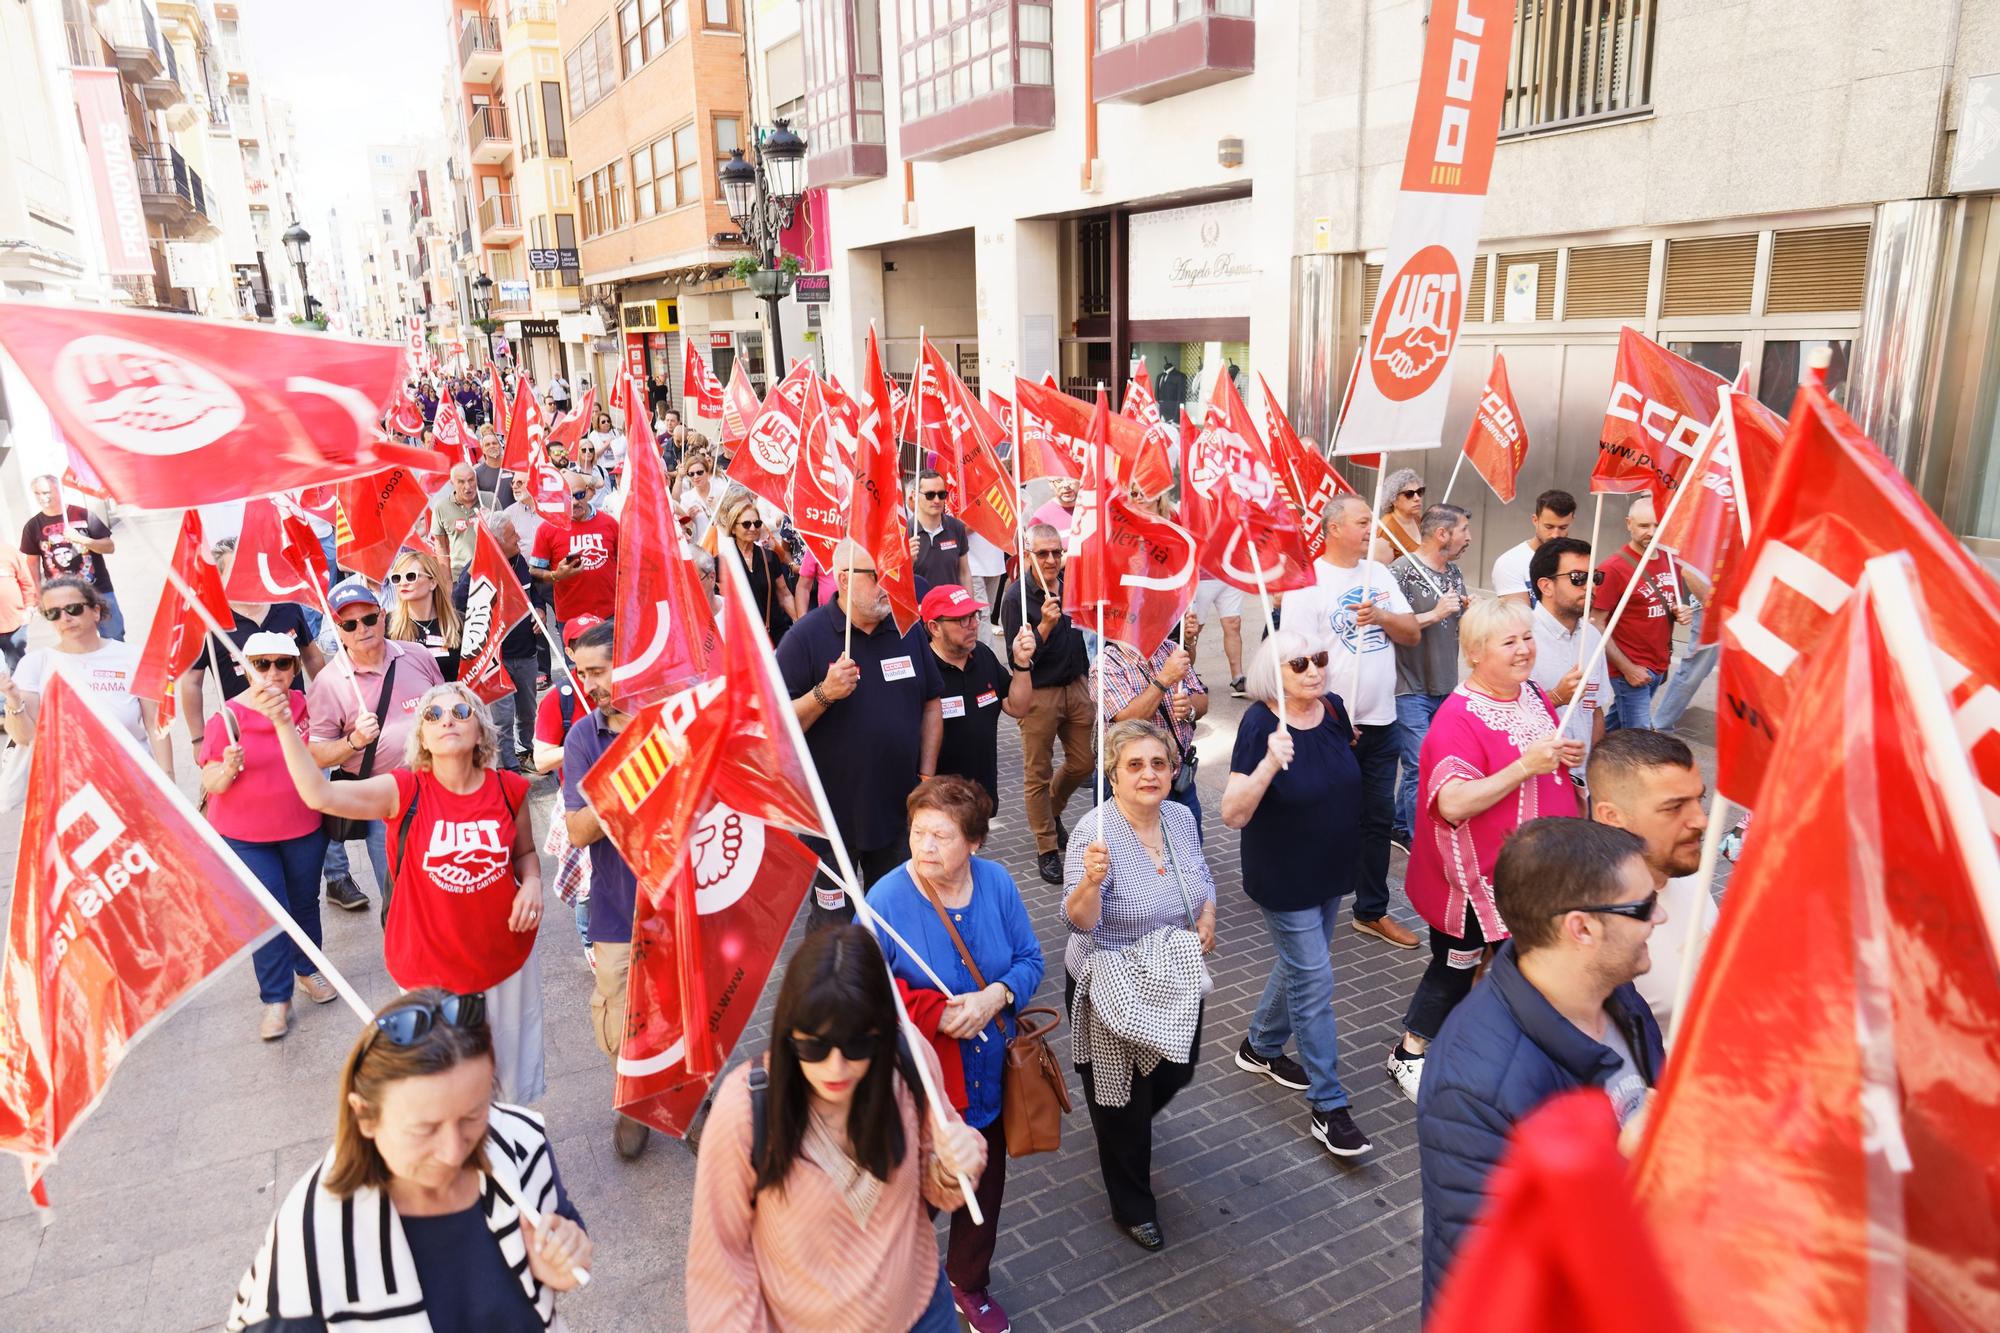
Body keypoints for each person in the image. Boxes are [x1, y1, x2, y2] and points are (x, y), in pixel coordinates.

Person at [226, 988, 590, 1331]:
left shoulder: (520, 1140)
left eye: (473, 1115)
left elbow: (561, 1221)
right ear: (365, 1116)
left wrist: (563, 1263)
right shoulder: (311, 1229)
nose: (452, 1153)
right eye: (424, 1129)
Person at [257, 679, 546, 1104]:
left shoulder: (508, 788)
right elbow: (319, 794)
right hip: (429, 972)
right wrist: (283, 724)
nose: (448, 719)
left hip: (505, 962)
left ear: (480, 729)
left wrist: (534, 883)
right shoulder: (404, 789)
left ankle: (504, 1151)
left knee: (503, 1080)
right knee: (445, 1090)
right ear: (422, 736)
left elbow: (524, 852)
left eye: (461, 712)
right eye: (434, 714)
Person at [687, 924, 988, 1330]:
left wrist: (957, 1162)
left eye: (858, 1045)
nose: (835, 1067)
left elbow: (938, 1180)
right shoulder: (745, 1109)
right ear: (787, 1034)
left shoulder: (908, 1058)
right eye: (813, 1046)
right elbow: (719, 1264)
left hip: (921, 1311)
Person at [1416, 818, 1664, 1311]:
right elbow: (1502, 1275)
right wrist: (1627, 1166)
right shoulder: (1475, 1087)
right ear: (1582, 928)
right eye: (1643, 907)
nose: (1660, 918)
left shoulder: (1612, 988)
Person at [1387, 597, 1584, 1104]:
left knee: (1521, 966)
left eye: (1527, 638)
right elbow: (1451, 802)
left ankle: (1496, 1048)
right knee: (1455, 966)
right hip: (1475, 880)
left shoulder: (1532, 694)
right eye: (1509, 642)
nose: (1524, 650)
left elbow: (1540, 759)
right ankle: (1410, 1051)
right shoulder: (1458, 718)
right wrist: (1525, 766)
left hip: (1532, 871)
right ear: (1474, 653)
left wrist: (1562, 756)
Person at [867, 778, 1045, 1333]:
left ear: (974, 843)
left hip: (988, 1077)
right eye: (918, 833)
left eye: (941, 836)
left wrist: (998, 993)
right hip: (921, 1085)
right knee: (913, 1197)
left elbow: (1031, 958)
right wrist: (930, 1013)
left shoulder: (996, 883)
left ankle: (967, 1282)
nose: (925, 847)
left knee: (983, 1189)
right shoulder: (887, 899)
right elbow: (858, 986)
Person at [1062, 720, 1216, 1252]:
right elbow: (1078, 922)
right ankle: (1132, 1204)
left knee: (1178, 1066)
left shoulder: (1179, 818)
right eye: (1134, 765)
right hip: (1112, 983)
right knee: (1121, 1103)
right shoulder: (1094, 832)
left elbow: (1202, 876)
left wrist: (1209, 914)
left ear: (1173, 770)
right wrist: (1090, 881)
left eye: (1158, 763)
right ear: (1113, 774)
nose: (1148, 775)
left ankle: (1121, 1129)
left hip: (1173, 974)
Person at [1220, 630, 1373, 1158]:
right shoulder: (1262, 722)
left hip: (1330, 866)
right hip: (1284, 874)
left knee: (1301, 964)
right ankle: (1329, 1106)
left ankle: (1260, 1045)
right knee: (1314, 979)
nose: (1314, 670)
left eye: (1320, 659)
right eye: (1299, 663)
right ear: (1273, 672)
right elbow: (1232, 813)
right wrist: (1268, 762)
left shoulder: (1332, 710)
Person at [1280, 494, 1422, 948]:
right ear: (1333, 527)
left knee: (1376, 819)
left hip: (1382, 720)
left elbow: (1412, 633)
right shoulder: (1306, 582)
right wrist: (1331, 715)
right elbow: (1294, 659)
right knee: (1318, 814)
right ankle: (1300, 898)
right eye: (1362, 522)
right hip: (1330, 722)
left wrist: (1379, 614)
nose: (1371, 530)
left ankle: (1371, 910)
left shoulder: (1378, 573)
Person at [777, 539, 945, 921]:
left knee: (896, 918)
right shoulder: (805, 638)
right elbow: (778, 726)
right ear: (845, 579)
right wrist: (824, 693)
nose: (889, 584)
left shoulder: (907, 628)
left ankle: (887, 981)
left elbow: (932, 703)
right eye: (878, 576)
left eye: (893, 573)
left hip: (897, 809)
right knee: (833, 928)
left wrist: (927, 777)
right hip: (830, 820)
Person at [198, 634, 336, 1039]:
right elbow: (212, 782)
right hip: (245, 836)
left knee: (303, 904)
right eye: (262, 664)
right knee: (270, 914)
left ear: (295, 669)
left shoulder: (303, 706)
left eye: (282, 663)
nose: (273, 673)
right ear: (245, 667)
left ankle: (309, 969)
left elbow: (320, 753)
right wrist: (227, 768)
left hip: (302, 827)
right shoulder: (226, 718)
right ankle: (276, 999)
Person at [559, 619, 655, 1158]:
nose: (589, 682)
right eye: (583, 672)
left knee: (686, 1009)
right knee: (621, 1013)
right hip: (618, 909)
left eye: (599, 670)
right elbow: (577, 829)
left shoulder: (670, 722)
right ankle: (633, 1101)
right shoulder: (582, 737)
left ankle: (686, 1096)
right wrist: (633, 769)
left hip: (681, 903)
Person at [306, 576, 445, 907]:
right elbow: (317, 757)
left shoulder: (417, 655)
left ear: (383, 615)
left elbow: (448, 703)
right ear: (338, 631)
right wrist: (354, 741)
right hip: (387, 803)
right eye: (350, 624)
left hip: (441, 788)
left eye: (369, 618)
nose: (362, 629)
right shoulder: (328, 683)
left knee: (452, 885)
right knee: (401, 897)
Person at [1586, 730, 1720, 1030]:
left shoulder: (1683, 864)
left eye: (1699, 799)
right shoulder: (1591, 930)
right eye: (1674, 807)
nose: (1701, 820)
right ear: (1612, 815)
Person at [1000, 523, 1094, 886]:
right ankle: (1046, 847)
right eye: (1043, 553)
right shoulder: (1015, 597)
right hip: (1038, 693)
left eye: (1057, 551)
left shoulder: (1072, 583)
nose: (1052, 559)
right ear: (1028, 556)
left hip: (1076, 685)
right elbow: (1017, 659)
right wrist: (1043, 629)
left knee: (1084, 762)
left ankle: (1050, 811)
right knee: (1036, 772)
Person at [1, 576, 171, 772]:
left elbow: (155, 723)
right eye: (54, 613)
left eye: (74, 608)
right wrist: (13, 700)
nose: (65, 618)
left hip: (132, 780)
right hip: (68, 789)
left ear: (96, 611)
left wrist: (168, 778)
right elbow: (25, 737)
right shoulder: (34, 664)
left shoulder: (134, 656)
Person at [175, 537, 327, 750]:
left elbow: (311, 656)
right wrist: (198, 739)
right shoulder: (207, 623)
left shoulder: (287, 605)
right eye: (236, 570)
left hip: (298, 725)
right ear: (219, 580)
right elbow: (191, 682)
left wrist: (325, 705)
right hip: (246, 735)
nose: (246, 575)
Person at [1389, 505, 1471, 848]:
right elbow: (1390, 625)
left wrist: (1469, 609)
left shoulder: (1453, 573)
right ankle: (1418, 840)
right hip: (1409, 686)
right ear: (1442, 534)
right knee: (1420, 768)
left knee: (1436, 762)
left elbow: (1455, 621)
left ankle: (1397, 821)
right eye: (1463, 530)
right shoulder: (1400, 571)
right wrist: (1434, 613)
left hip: (1445, 685)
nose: (1468, 538)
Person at [921, 584, 1034, 809]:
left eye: (974, 616)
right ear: (934, 627)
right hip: (939, 797)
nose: (973, 625)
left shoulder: (982, 654)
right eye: (962, 619)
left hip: (982, 791)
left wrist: (1021, 664)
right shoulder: (923, 666)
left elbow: (1017, 707)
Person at [1091, 627, 1209, 826]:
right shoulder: (1105, 664)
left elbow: (1202, 698)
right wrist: (1165, 679)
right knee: (1134, 849)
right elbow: (1129, 718)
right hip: (1134, 783)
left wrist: (1190, 709)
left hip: (1178, 777)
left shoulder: (1171, 649)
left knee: (1187, 846)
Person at [1592, 497, 1691, 732]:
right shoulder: (1613, 568)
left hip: (1657, 665)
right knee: (1639, 738)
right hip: (1631, 669)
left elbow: (1668, 602)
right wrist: (1627, 668)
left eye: (1657, 525)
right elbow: (1596, 623)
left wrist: (1682, 611)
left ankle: (1589, 757)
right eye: (1644, 526)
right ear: (1629, 524)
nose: (1652, 532)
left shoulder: (1670, 559)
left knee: (1616, 726)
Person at [454, 512, 539, 768]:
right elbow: (459, 605)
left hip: (526, 653)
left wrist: (539, 609)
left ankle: (526, 750)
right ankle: (509, 766)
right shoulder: (476, 570)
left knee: (527, 711)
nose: (519, 538)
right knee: (501, 718)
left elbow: (529, 592)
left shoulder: (519, 560)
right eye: (513, 534)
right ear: (496, 541)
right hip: (496, 658)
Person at [534, 616, 596, 957]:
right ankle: (590, 943)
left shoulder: (622, 684)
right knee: (587, 886)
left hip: (625, 795)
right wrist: (584, 744)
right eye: (587, 641)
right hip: (580, 800)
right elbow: (541, 760)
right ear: (570, 652)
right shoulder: (562, 698)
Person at [1527, 536, 1610, 778]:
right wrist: (1555, 697)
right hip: (1534, 776)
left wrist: (1593, 773)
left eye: (1594, 577)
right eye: (1578, 578)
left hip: (1582, 780)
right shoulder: (1520, 637)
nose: (1590, 586)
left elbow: (1594, 710)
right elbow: (1497, 716)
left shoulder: (1593, 636)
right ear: (1546, 586)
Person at [19, 475, 123, 639]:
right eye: (37, 494)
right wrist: (39, 594)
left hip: (98, 590)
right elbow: (32, 564)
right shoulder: (33, 526)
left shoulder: (83, 515)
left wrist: (82, 539)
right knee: (75, 640)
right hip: (62, 597)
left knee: (113, 635)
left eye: (46, 492)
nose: (42, 498)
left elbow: (109, 547)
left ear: (60, 490)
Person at [529, 486, 619, 632]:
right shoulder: (547, 529)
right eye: (568, 497)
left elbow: (623, 563)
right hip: (572, 619)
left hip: (609, 614)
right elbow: (534, 571)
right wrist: (555, 575)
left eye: (579, 495)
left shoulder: (610, 523)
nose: (575, 502)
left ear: (589, 492)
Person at [718, 488, 799, 643]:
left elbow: (785, 594)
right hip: (742, 642)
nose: (753, 528)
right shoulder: (722, 562)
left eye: (757, 523)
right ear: (733, 527)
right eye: (746, 524)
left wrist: (799, 624)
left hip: (774, 634)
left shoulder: (769, 557)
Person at [1647, 560, 1716, 733]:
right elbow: (1689, 570)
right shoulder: (1716, 535)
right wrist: (1713, 603)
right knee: (1694, 671)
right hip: (1714, 609)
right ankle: (1660, 726)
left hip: (1752, 606)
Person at [387, 549, 464, 682]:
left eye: (411, 576)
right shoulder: (387, 624)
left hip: (450, 699)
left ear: (433, 583)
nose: (403, 583)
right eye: (397, 578)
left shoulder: (459, 622)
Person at [1490, 489, 1577, 604]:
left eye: (1563, 528)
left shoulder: (1576, 560)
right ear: (1535, 520)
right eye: (1549, 527)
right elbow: (1519, 618)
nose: (1556, 535)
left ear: (1572, 522)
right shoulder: (1510, 562)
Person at [909, 471, 973, 590]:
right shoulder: (905, 532)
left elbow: (964, 573)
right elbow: (895, 584)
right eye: (930, 495)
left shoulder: (957, 527)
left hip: (953, 606)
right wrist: (907, 562)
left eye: (942, 494)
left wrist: (970, 607)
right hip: (921, 607)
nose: (937, 500)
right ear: (914, 495)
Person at [1188, 575, 1247, 697]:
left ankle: (1238, 677)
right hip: (1200, 576)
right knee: (1193, 628)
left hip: (1230, 572)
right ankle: (1187, 676)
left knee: (1233, 623)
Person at [430, 463, 483, 575]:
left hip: (490, 572)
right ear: (452, 483)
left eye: (471, 480)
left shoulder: (490, 500)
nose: (468, 486)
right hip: (459, 576)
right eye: (461, 482)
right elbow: (440, 547)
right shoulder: (441, 507)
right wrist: (447, 580)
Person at [1369, 467, 1426, 565]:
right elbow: (1381, 572)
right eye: (1409, 494)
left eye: (1419, 492)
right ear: (1393, 500)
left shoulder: (1417, 518)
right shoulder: (1385, 531)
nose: (1417, 498)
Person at [966, 529, 1008, 635]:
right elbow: (957, 529)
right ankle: (988, 651)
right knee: (981, 614)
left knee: (987, 614)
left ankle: (973, 647)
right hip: (972, 564)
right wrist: (978, 522)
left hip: (995, 563)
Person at [0, 550, 36, 673]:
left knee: (19, 666)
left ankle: (22, 691)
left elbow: (26, 583)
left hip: (15, 621)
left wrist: (29, 608)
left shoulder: (9, 553)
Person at [473, 430, 518, 512]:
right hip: (492, 519)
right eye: (487, 445)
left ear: (500, 446)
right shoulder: (477, 473)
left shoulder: (513, 468)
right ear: (482, 450)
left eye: (494, 443)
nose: (491, 446)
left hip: (514, 517)